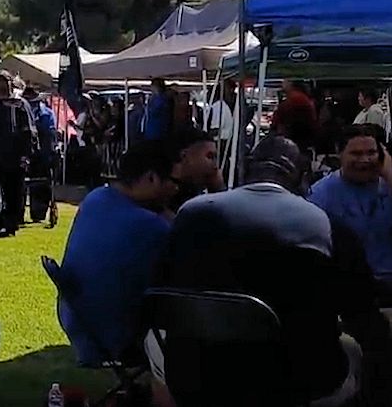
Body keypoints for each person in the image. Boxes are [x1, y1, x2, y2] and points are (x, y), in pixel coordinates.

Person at [150, 136, 392, 406]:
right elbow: (361, 314)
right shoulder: (324, 227)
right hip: (294, 384)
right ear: (301, 176)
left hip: (193, 378)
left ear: (247, 167)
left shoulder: (189, 215)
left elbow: (165, 290)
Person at [58, 140, 176, 366]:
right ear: (151, 178)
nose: (176, 189)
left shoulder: (95, 199)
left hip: (81, 324)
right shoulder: (151, 226)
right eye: (173, 182)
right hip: (116, 339)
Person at [308, 124, 392, 290]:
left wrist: (389, 171)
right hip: (348, 288)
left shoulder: (388, 185)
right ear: (340, 153)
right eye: (356, 153)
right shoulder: (320, 194)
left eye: (371, 153)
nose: (365, 160)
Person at [0, 71, 38, 236]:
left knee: (13, 194)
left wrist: (26, 154)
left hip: (14, 157)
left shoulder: (19, 104)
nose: (1, 86)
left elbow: (29, 131)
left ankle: (10, 224)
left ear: (10, 84)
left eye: (4, 82)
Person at [165, 127, 224, 213]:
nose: (215, 165)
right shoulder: (163, 197)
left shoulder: (193, 191)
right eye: (210, 157)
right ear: (184, 156)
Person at [24, 85, 56, 223]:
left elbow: (51, 132)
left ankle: (39, 213)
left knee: (42, 184)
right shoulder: (21, 111)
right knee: (23, 184)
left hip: (43, 153)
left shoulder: (47, 113)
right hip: (26, 151)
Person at [272, 79, 318, 151]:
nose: (282, 83)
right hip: (300, 138)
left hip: (295, 139)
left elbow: (282, 117)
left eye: (284, 80)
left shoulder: (295, 98)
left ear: (290, 82)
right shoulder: (299, 97)